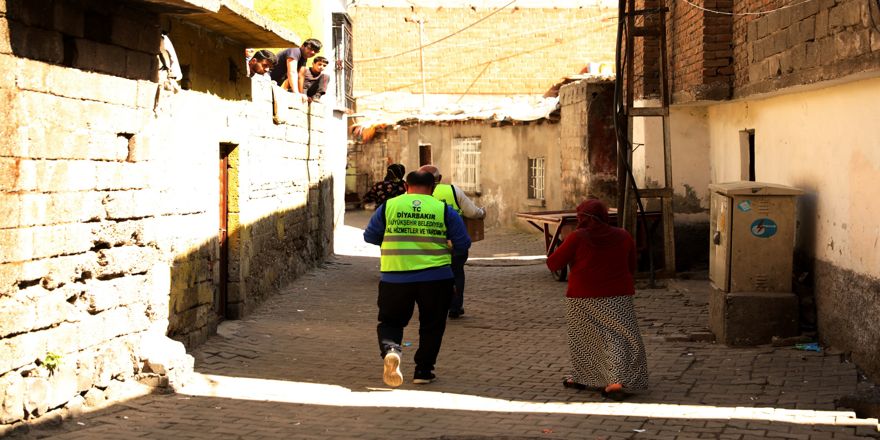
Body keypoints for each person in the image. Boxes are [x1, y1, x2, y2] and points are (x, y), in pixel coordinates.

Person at [363, 171, 471, 387]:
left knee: (391, 321)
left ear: (405, 185)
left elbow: (370, 236)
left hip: (395, 277)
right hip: (436, 278)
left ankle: (391, 350)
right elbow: (463, 243)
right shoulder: (443, 210)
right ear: (433, 187)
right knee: (432, 324)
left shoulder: (389, 206)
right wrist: (447, 246)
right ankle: (423, 370)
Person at [546, 199, 649, 401]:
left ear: (582, 218)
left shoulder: (577, 237)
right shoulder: (623, 235)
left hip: (583, 296)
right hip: (619, 295)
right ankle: (615, 381)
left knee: (585, 338)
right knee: (618, 336)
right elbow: (631, 266)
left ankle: (586, 377)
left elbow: (553, 263)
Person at [418, 164, 485, 319]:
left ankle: (432, 306)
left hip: (427, 243)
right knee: (456, 273)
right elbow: (472, 212)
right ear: (439, 179)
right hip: (454, 242)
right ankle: (455, 307)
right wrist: (482, 213)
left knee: (428, 273)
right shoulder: (453, 190)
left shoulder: (413, 195)